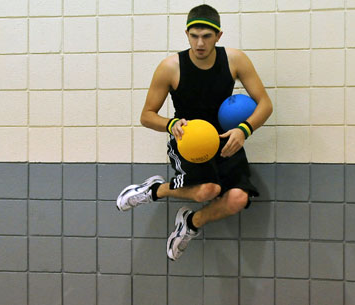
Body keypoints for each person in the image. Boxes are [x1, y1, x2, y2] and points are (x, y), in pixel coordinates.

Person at [115, 4, 273, 261]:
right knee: (207, 190)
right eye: (194, 35)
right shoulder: (170, 67)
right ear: (187, 34)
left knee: (238, 199)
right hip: (189, 141)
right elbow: (146, 115)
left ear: (218, 36)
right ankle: (155, 189)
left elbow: (265, 104)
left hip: (225, 139)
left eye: (207, 36)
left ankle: (190, 223)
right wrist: (170, 124)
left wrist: (244, 130)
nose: (200, 43)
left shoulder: (235, 60)